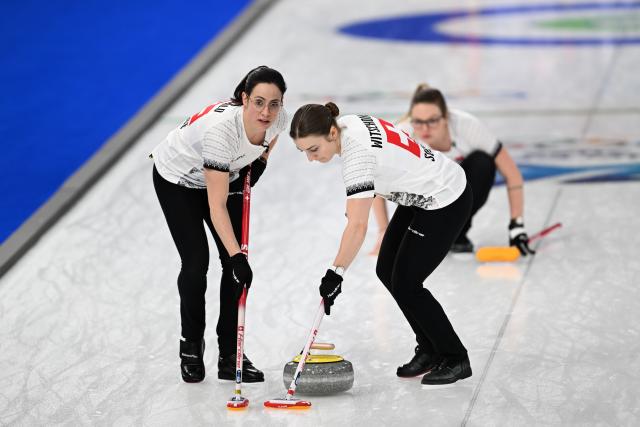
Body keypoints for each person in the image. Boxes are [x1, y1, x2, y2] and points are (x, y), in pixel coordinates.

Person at [290, 102, 473, 385]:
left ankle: (455, 357)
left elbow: (358, 227)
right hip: (418, 193)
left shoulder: (356, 157)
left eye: (313, 149)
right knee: (386, 270)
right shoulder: (347, 123)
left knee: (407, 283)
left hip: (444, 198)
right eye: (303, 152)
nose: (310, 159)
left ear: (331, 133)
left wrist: (335, 273)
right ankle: (429, 348)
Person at [151, 66, 288, 383]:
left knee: (234, 267)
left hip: (225, 176)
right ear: (244, 98)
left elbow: (270, 141)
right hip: (178, 181)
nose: (266, 111)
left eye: (274, 103)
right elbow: (216, 205)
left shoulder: (279, 119)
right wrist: (238, 256)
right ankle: (190, 348)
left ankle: (230, 356)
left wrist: (260, 161)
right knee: (198, 262)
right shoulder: (220, 133)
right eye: (258, 102)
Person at [370, 84, 534, 255]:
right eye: (418, 122)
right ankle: (419, 231)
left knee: (483, 162)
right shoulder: (403, 134)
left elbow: (512, 173)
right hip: (421, 202)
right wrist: (384, 230)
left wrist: (517, 226)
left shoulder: (468, 126)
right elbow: (376, 181)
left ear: (446, 117)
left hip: (457, 202)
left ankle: (456, 233)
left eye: (432, 121)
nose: (425, 129)